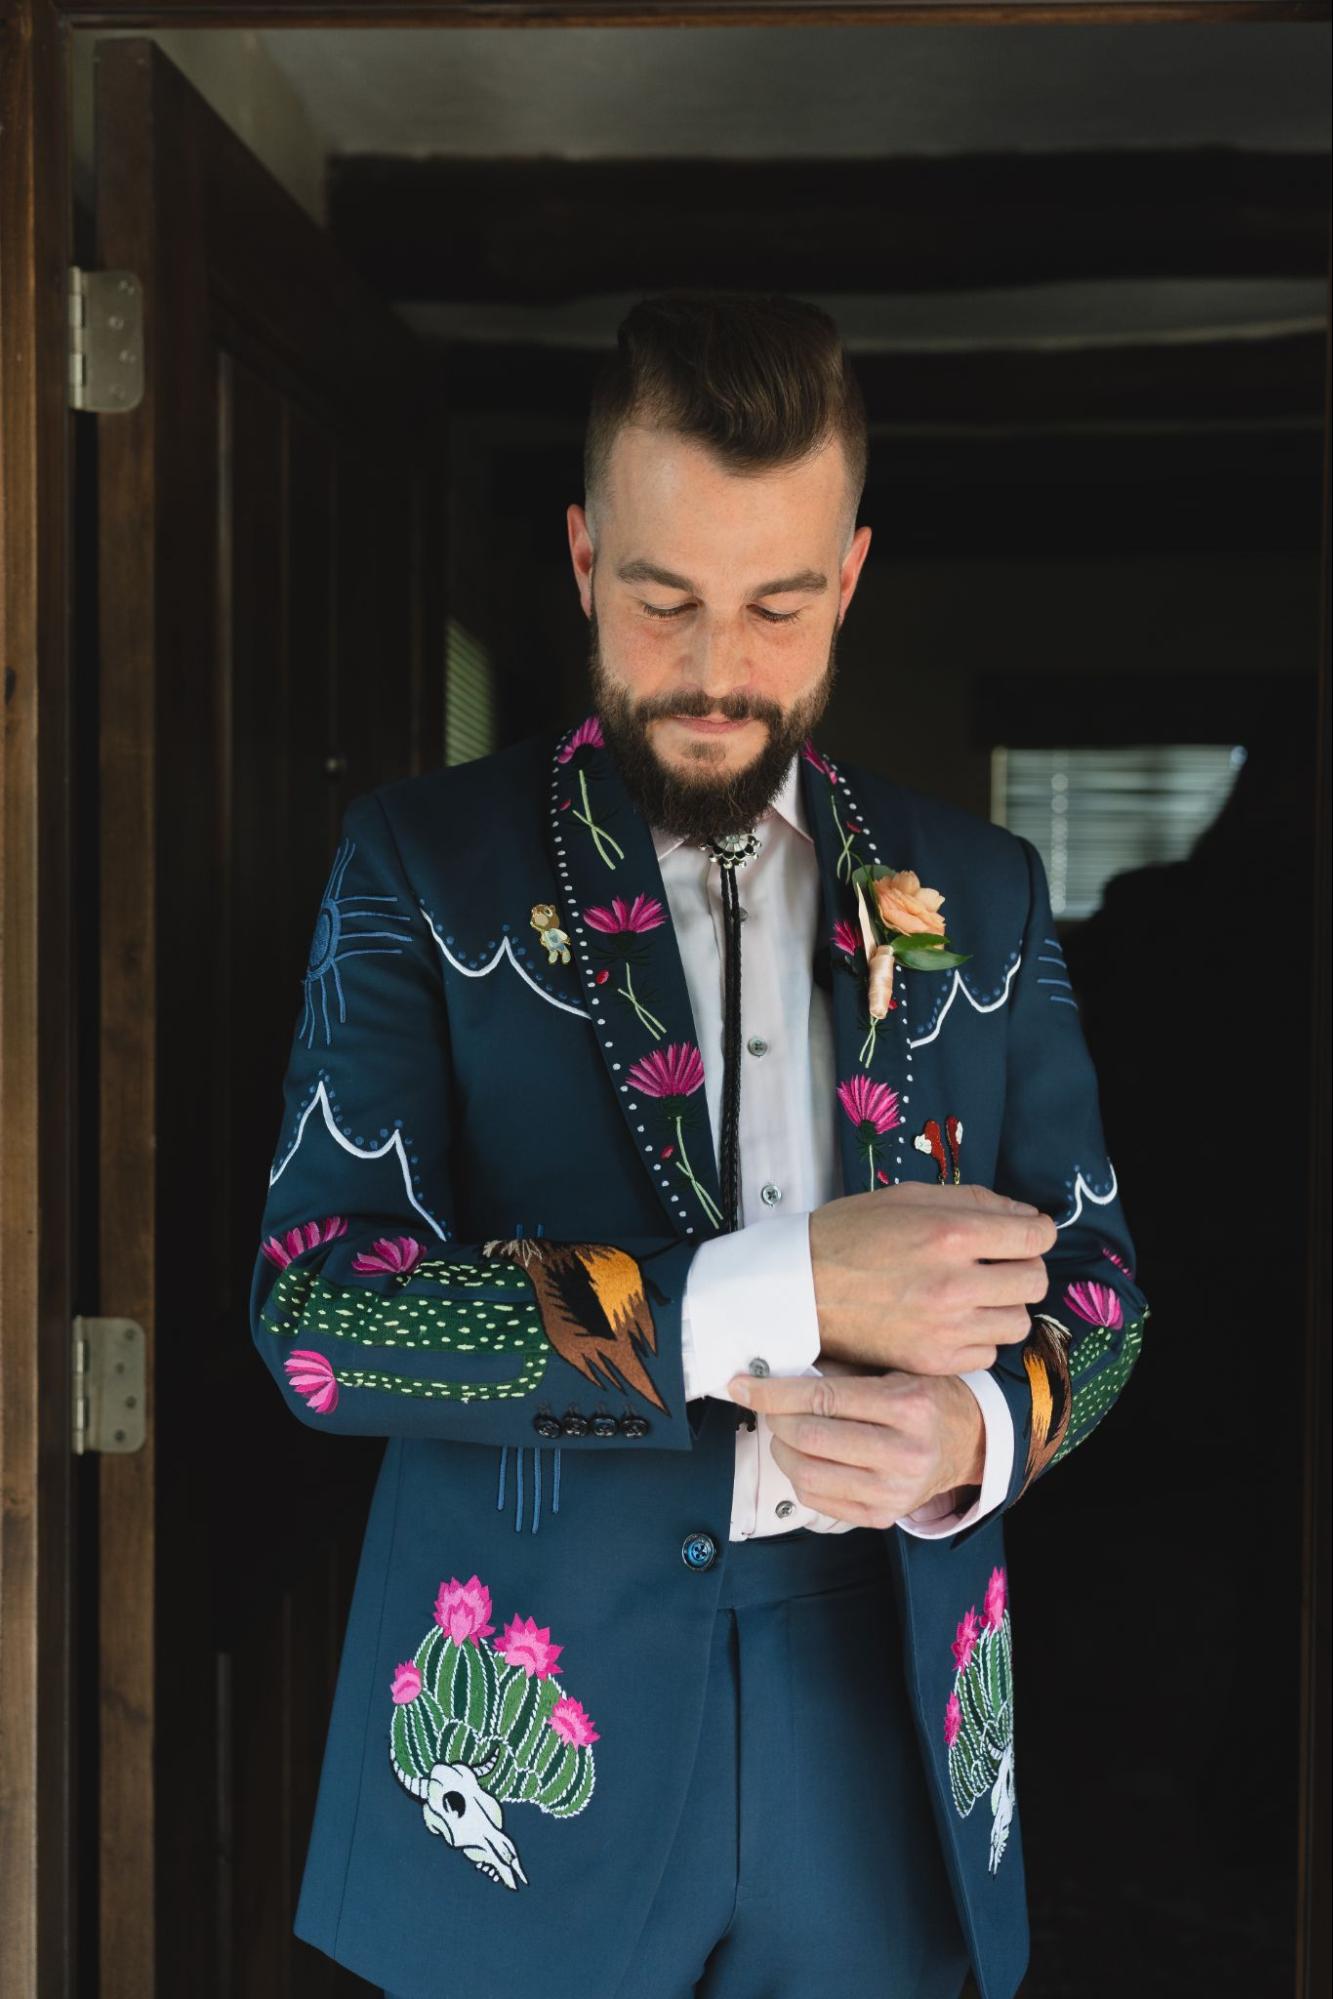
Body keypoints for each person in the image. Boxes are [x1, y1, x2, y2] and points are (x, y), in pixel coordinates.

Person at [250, 291, 1148, 1999]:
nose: (719, 670)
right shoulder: (417, 866)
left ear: (853, 579)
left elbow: (1100, 1286)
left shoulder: (983, 891)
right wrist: (773, 1287)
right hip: (524, 1709)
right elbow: (319, 1316)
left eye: (776, 607)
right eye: (663, 602)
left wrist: (972, 1433)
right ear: (583, 557)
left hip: (878, 1700)